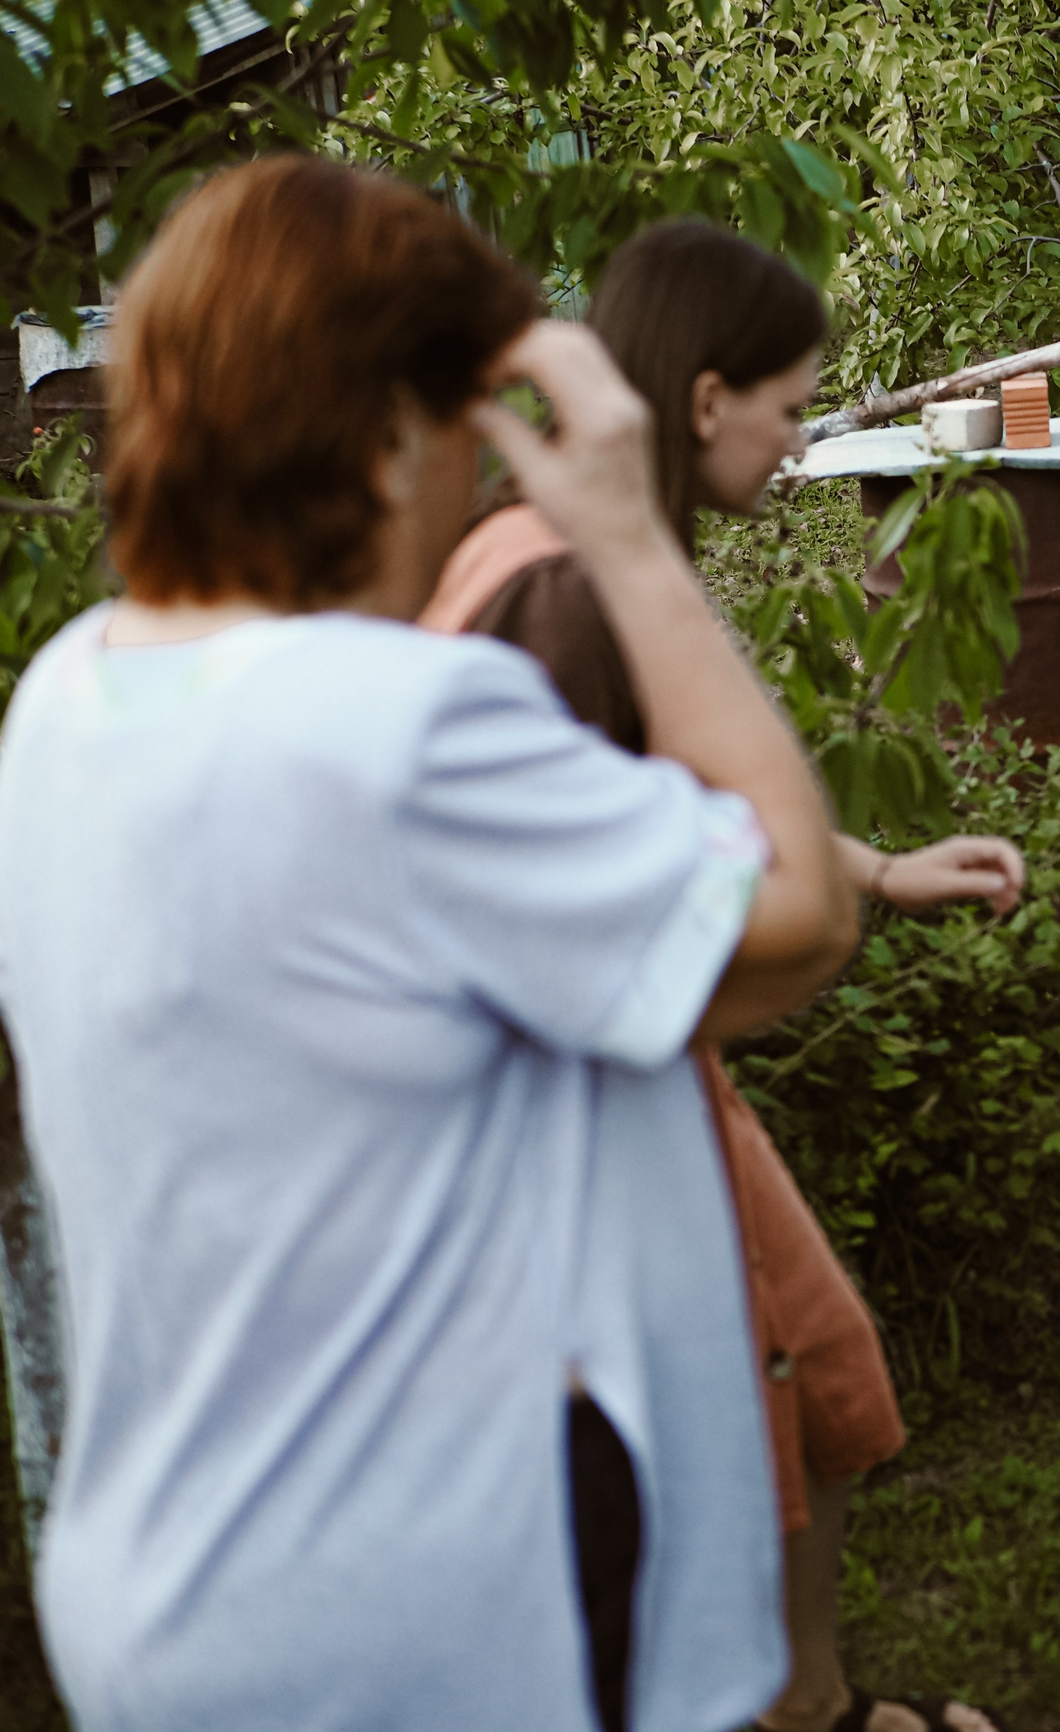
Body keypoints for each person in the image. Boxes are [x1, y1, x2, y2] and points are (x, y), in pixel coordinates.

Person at [0, 156, 866, 1731]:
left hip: (167, 1588)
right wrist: (626, 537)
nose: (480, 481)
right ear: (392, 433)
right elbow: (798, 914)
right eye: (471, 428)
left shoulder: (68, 698)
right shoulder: (396, 731)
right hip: (427, 1612)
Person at [420, 217, 1014, 1732]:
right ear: (703, 401)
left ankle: (806, 1697)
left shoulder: (583, 554)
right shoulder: (564, 587)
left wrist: (876, 867)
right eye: (792, 406)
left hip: (638, 1069)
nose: (801, 440)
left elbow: (669, 799)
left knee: (817, 1379)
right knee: (776, 1382)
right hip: (586, 1091)